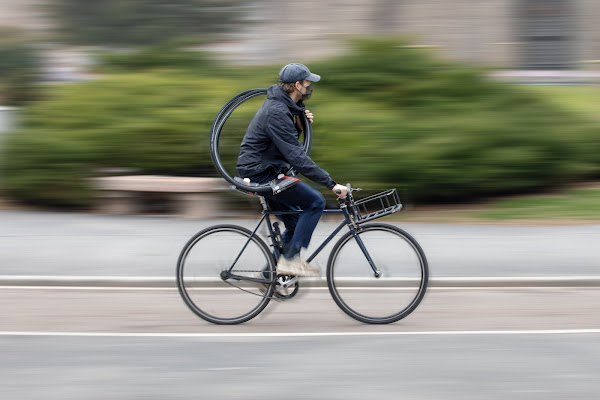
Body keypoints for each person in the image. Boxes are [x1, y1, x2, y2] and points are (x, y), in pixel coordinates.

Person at [236, 63, 347, 276]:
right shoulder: (277, 111)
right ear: (297, 85)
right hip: (260, 173)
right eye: (307, 83)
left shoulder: (284, 107)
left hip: (266, 169)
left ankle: (270, 275)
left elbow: (281, 143)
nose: (309, 87)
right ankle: (291, 260)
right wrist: (331, 184)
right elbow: (297, 157)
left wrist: (299, 124)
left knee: (296, 222)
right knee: (316, 202)